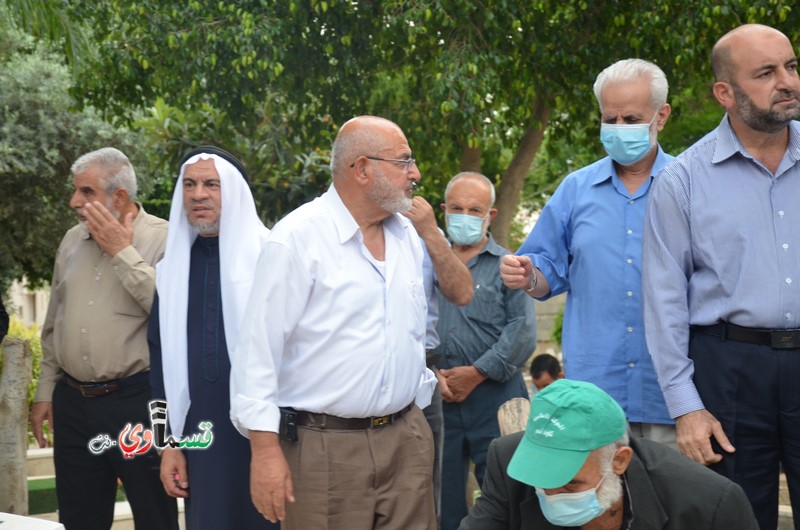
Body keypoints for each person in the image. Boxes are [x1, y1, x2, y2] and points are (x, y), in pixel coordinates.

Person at [231, 115, 439, 530]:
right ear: (361, 169)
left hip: (406, 438)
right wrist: (265, 452)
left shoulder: (407, 238)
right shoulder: (297, 239)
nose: (414, 174)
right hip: (324, 449)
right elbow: (258, 354)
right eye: (403, 161)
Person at [643, 24, 800, 530]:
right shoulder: (682, 181)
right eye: (766, 72)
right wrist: (686, 407)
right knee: (735, 518)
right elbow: (664, 301)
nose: (788, 81)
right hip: (728, 372)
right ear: (725, 93)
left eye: (791, 66)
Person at [500, 58, 676, 448]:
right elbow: (545, 267)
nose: (618, 129)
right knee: (599, 503)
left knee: (669, 505)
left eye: (630, 118)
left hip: (670, 392)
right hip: (597, 390)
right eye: (608, 118)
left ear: (660, 116)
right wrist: (527, 273)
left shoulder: (689, 186)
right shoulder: (575, 190)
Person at [30, 147, 178, 530]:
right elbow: (54, 321)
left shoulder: (168, 239)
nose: (74, 201)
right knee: (79, 518)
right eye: (75, 191)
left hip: (137, 402)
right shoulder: (70, 241)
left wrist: (121, 251)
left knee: (153, 515)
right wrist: (45, 390)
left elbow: (172, 313)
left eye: (86, 192)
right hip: (73, 404)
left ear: (120, 197)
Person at [147, 146, 277, 529]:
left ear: (234, 192)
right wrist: (166, 443)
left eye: (210, 184)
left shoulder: (271, 256)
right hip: (199, 439)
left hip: (267, 436)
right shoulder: (171, 272)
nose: (197, 194)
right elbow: (159, 369)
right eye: (189, 184)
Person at [459, 379, 759, 530]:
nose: (551, 494)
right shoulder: (508, 462)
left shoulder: (709, 504)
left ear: (619, 460)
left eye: (570, 484)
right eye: (542, 480)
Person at [435, 172, 537, 530]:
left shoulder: (510, 265)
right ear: (444, 211)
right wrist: (433, 375)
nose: (465, 216)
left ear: (490, 215)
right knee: (441, 500)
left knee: (512, 493)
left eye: (474, 209)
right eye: (457, 208)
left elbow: (523, 332)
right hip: (439, 397)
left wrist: (476, 373)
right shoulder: (426, 263)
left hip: (496, 397)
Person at [405, 195, 474, 526]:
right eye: (402, 164)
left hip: (424, 375)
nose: (412, 175)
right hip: (362, 379)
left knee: (425, 487)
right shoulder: (332, 230)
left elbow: (462, 294)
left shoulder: (421, 231)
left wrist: (430, 231)